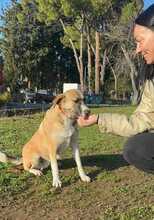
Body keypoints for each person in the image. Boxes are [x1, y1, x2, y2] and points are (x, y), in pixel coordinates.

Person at [77, 4, 154, 173]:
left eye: (140, 41)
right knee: (136, 148)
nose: (138, 50)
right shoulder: (152, 81)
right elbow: (140, 122)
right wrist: (98, 119)